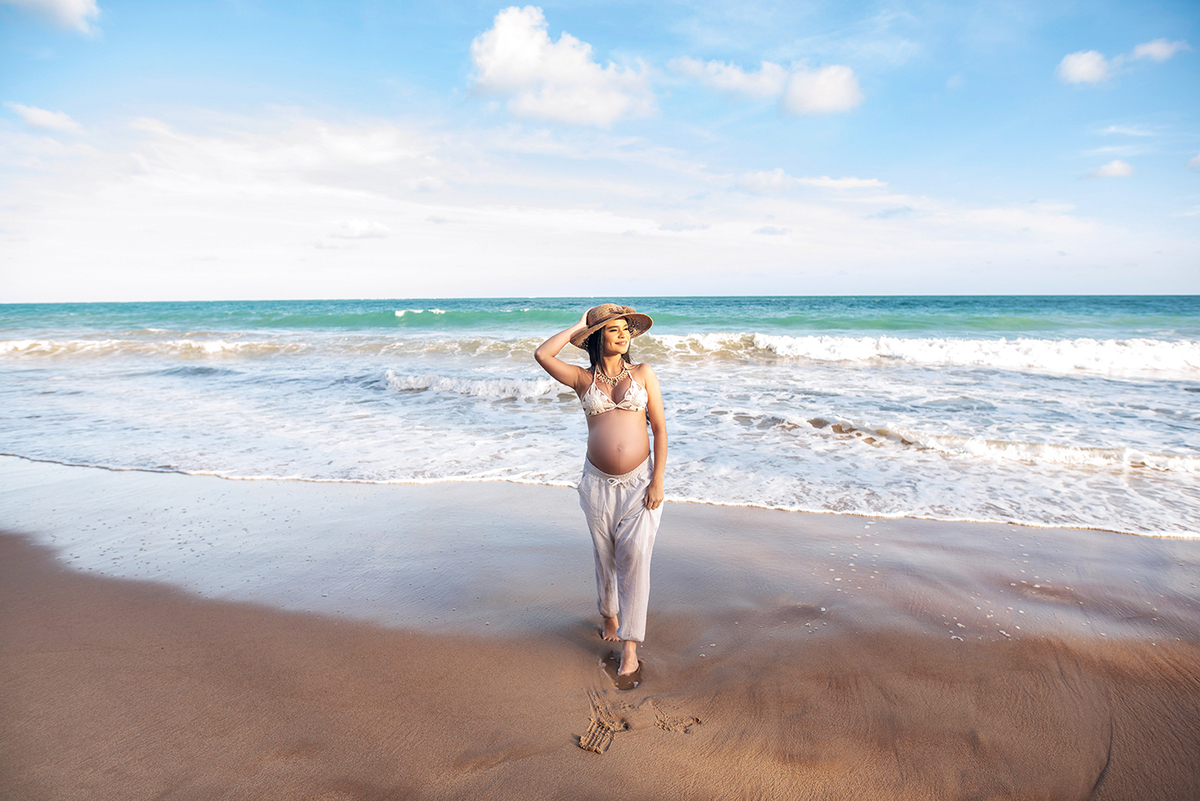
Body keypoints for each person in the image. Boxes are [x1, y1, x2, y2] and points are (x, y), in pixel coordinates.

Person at [534, 304, 666, 677]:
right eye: (613, 330)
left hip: (641, 483)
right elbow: (543, 354)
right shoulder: (581, 379)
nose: (623, 335)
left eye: (625, 329)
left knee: (635, 557)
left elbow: (659, 429)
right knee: (605, 555)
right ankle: (609, 614)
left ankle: (630, 645)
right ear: (597, 339)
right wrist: (578, 325)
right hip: (596, 484)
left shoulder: (643, 373)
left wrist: (657, 480)